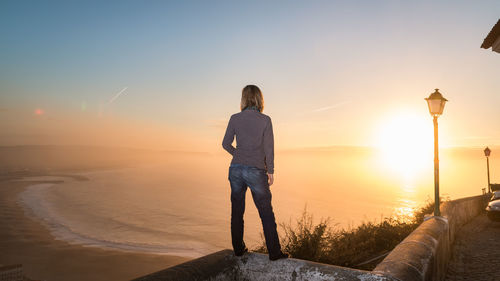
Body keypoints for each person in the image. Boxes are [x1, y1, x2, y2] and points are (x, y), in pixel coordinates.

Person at [222, 85, 288, 261]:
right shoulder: (265, 120)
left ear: (243, 99)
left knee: (237, 211)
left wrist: (240, 155)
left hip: (235, 169)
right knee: (266, 212)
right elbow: (269, 149)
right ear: (260, 99)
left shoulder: (234, 118)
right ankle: (274, 253)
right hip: (256, 170)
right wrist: (271, 170)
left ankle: (238, 249)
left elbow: (225, 144)